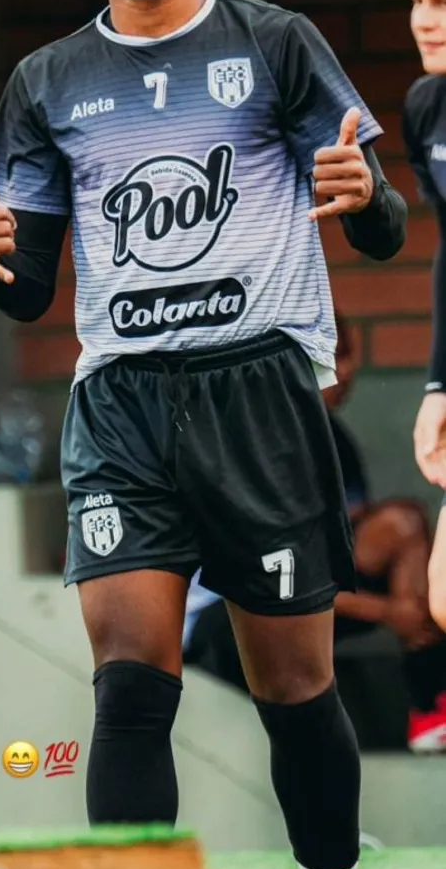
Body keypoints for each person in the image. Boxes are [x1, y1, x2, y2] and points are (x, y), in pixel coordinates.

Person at [0, 0, 407, 869]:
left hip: (259, 392)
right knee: (128, 681)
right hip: (120, 403)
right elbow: (29, 284)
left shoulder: (277, 42)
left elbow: (385, 226)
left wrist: (366, 198)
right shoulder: (48, 79)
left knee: (295, 688)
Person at [185, 313, 446, 752]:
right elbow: (277, 571)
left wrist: (407, 605)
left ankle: (430, 707)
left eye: (348, 355)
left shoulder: (332, 437)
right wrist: (388, 612)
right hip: (226, 618)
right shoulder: (263, 439)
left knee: (402, 522)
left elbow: (343, 546)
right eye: (334, 356)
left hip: (300, 592)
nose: (347, 369)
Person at [403, 0, 446, 636]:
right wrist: (438, 386)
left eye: (441, 2)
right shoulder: (424, 107)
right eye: (415, 0)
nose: (422, 20)